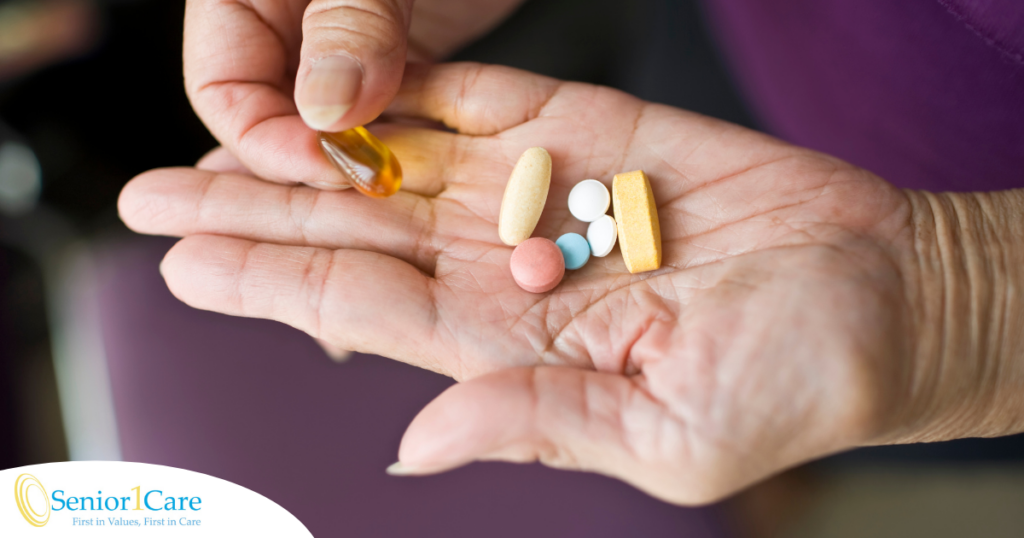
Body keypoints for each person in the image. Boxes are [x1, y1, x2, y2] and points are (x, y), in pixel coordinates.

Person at [117, 0, 1024, 504]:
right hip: (740, 72)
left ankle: (800, 478)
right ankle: (792, 480)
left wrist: (957, 296)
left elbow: (938, 311)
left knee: (854, 419)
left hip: (976, 254)